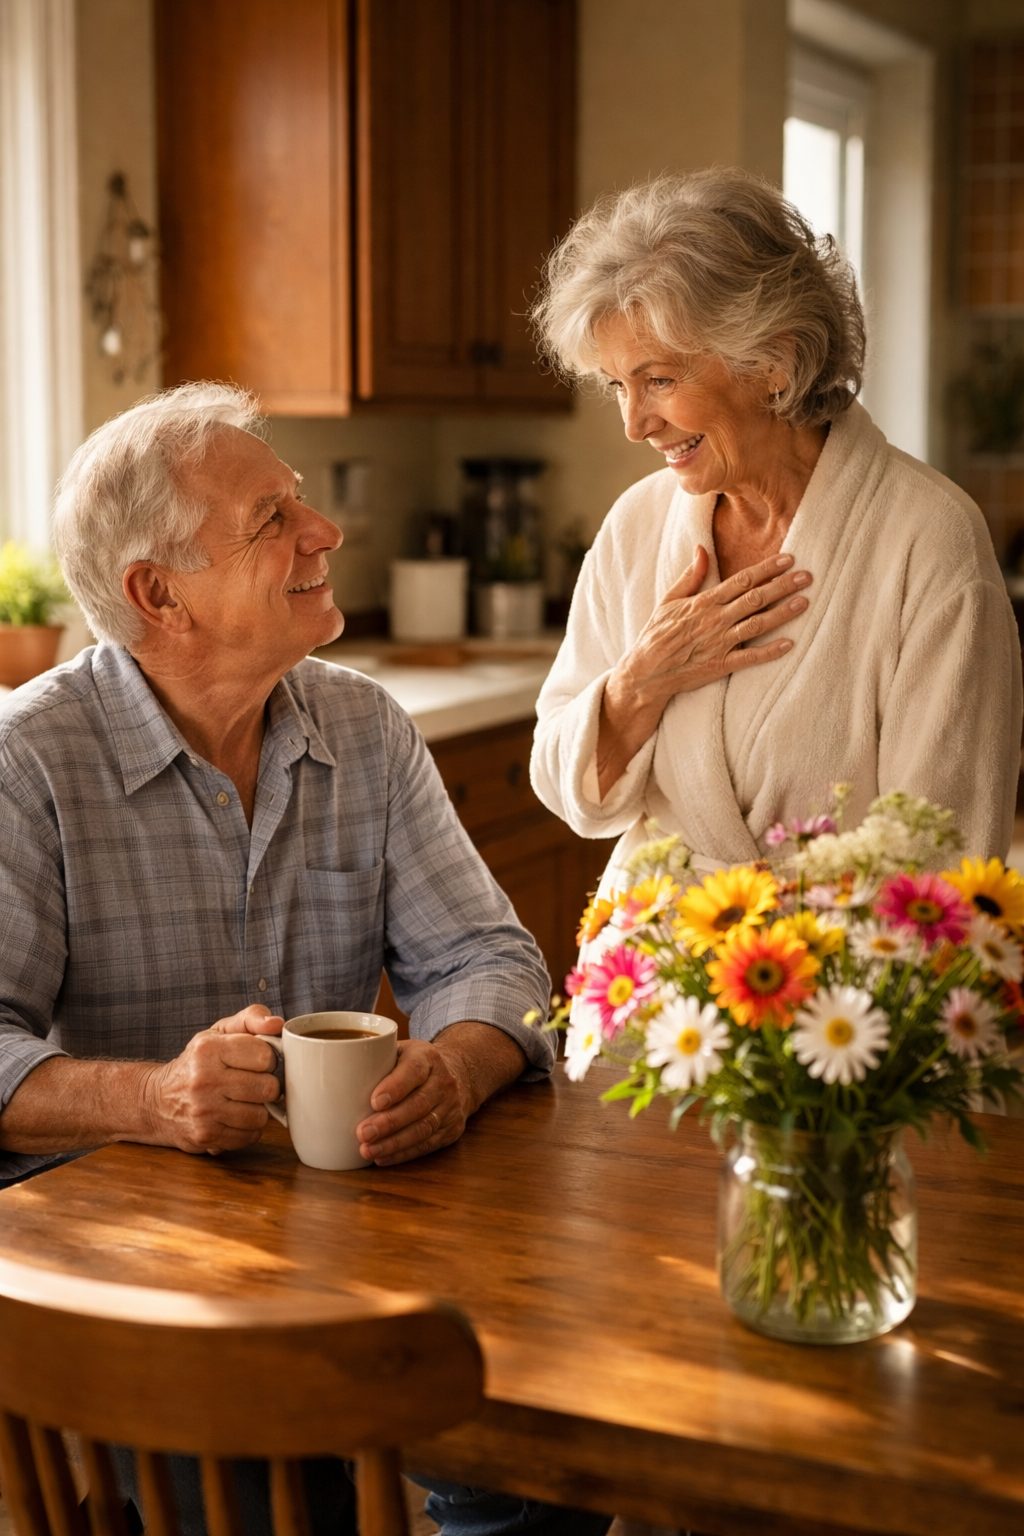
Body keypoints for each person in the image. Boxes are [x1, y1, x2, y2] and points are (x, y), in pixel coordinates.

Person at [0, 381, 610, 1536]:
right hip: (126, 1276)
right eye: (271, 520)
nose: (324, 533)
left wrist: (457, 1067)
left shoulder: (364, 726)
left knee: (555, 1460)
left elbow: (487, 957)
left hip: (347, 1230)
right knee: (279, 1502)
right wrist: (155, 1098)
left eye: (301, 504)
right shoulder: (27, 763)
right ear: (157, 593)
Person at [529, 167, 1022, 903]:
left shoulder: (928, 538)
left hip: (841, 969)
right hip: (653, 950)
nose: (635, 424)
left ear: (773, 362)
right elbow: (560, 782)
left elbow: (943, 864)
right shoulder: (637, 524)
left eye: (659, 380)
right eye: (615, 386)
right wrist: (637, 685)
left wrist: (787, 967)